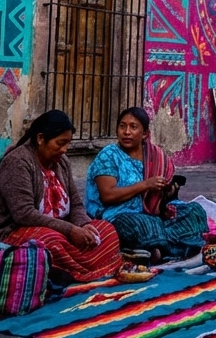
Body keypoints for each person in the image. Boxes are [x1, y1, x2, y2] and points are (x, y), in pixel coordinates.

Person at [0, 110, 121, 282]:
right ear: (41, 139)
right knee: (49, 242)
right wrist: (70, 230)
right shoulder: (17, 162)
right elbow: (24, 214)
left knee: (107, 231)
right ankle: (79, 269)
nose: (65, 149)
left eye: (68, 144)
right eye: (60, 143)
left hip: (59, 228)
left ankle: (74, 268)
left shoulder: (62, 162)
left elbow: (76, 204)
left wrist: (84, 225)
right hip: (14, 231)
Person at [84, 107, 207, 261]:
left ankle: (157, 248)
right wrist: (145, 185)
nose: (126, 132)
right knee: (137, 225)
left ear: (145, 134)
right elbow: (107, 196)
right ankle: (172, 247)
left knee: (195, 211)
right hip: (117, 215)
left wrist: (165, 193)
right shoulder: (109, 155)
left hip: (151, 216)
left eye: (133, 127)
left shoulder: (153, 156)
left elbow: (157, 201)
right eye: (122, 126)